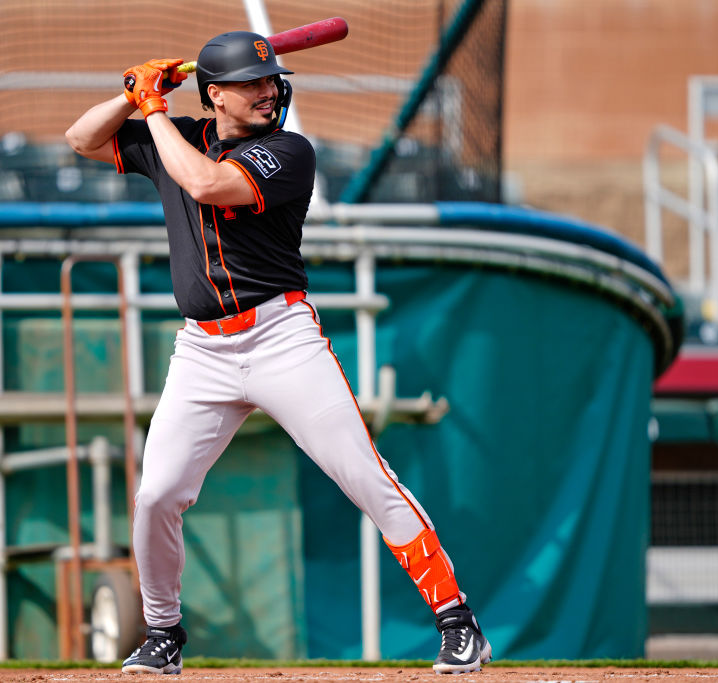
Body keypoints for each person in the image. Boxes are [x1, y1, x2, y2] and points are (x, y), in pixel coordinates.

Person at [65, 30, 491, 676]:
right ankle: (161, 632)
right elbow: (80, 139)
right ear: (215, 96)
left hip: (279, 338)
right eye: (252, 85)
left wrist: (154, 114)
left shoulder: (288, 152)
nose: (270, 93)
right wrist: (132, 94)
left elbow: (206, 185)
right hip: (201, 350)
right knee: (155, 494)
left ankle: (458, 621)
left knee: (364, 474)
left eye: (271, 81)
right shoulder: (174, 136)